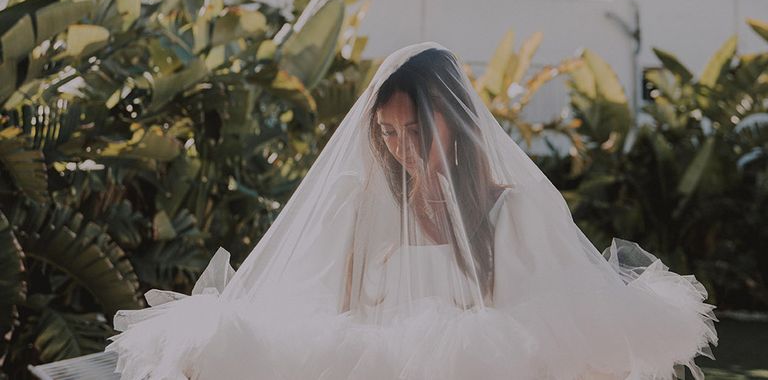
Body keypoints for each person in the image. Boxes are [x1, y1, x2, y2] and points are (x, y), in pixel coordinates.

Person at [106, 42, 718, 380]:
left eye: (416, 129)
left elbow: (563, 343)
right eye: (389, 133)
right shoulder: (360, 212)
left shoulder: (512, 215)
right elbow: (326, 313)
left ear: (456, 122)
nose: (403, 148)